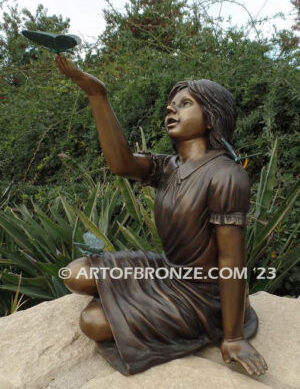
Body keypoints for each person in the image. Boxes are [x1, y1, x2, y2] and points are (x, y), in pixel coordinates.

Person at [55, 54, 268, 377]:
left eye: (185, 103)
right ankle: (136, 302)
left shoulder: (226, 176)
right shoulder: (169, 167)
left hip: (203, 295)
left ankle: (190, 323)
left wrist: (234, 337)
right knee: (74, 274)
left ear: (211, 116)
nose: (171, 109)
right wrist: (97, 94)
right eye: (171, 104)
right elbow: (121, 164)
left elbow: (230, 262)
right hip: (168, 270)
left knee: (94, 322)